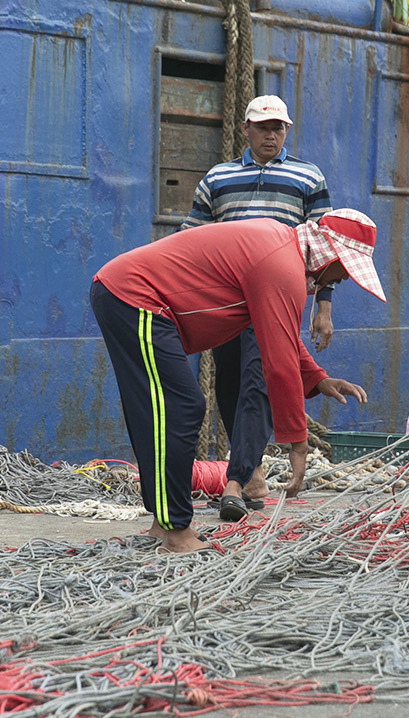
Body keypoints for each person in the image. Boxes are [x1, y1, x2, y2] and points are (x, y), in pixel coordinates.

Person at [90, 211, 383, 553]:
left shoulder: (281, 248)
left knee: (161, 410)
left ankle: (164, 523)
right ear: (331, 254)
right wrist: (297, 442)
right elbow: (279, 365)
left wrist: (318, 379)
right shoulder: (281, 264)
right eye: (346, 268)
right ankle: (176, 531)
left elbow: (281, 338)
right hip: (135, 298)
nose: (344, 278)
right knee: (180, 406)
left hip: (125, 296)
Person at [183, 94, 335, 521]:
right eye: (263, 127)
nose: (271, 135)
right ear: (246, 129)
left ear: (287, 130)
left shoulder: (308, 177)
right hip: (224, 302)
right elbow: (192, 239)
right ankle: (251, 473)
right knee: (230, 385)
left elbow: (325, 251)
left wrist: (323, 307)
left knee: (257, 382)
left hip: (276, 300)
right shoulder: (217, 178)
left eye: (279, 128)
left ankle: (235, 479)